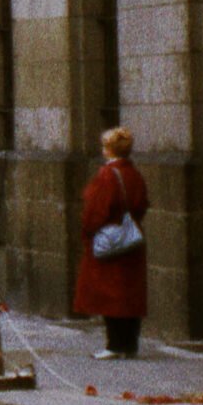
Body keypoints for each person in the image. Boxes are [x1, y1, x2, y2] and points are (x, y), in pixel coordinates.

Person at [74, 126, 150, 359]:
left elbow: (95, 211)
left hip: (110, 242)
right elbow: (143, 203)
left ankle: (114, 345)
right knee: (130, 294)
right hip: (130, 240)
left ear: (109, 149)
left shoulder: (107, 175)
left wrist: (89, 231)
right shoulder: (134, 174)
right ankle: (130, 344)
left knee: (111, 294)